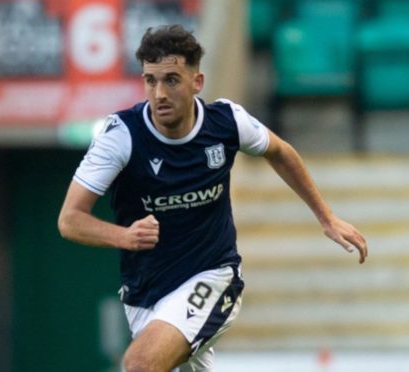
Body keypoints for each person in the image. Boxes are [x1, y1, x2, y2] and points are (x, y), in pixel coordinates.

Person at [57, 24, 368, 372]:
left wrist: (326, 217)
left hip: (213, 276)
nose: (159, 93)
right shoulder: (121, 136)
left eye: (171, 80)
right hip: (145, 295)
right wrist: (124, 237)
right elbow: (70, 219)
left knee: (140, 364)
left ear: (197, 82)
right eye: (150, 80)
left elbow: (280, 151)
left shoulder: (227, 122)